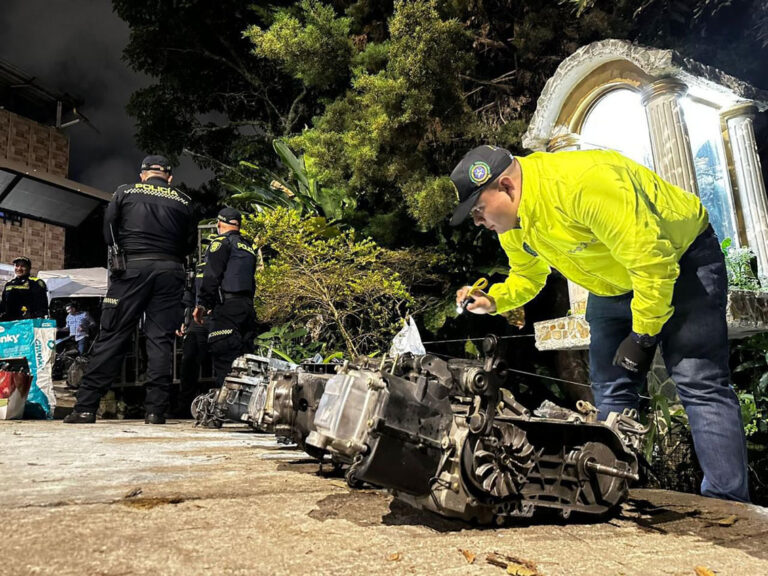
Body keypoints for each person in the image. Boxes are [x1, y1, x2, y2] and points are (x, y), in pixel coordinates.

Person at [450, 145, 750, 502]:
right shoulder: (513, 224)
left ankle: (727, 508)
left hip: (680, 260)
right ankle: (613, 494)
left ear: (506, 186)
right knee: (611, 390)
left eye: (480, 210)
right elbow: (528, 275)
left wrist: (643, 335)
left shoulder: (585, 183)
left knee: (699, 382)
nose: (479, 222)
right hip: (610, 285)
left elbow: (652, 262)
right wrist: (495, 299)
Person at [64, 155, 196, 425]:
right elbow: (190, 243)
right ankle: (156, 411)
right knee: (160, 340)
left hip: (131, 269)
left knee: (113, 334)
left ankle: (86, 407)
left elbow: (109, 230)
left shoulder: (125, 191)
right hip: (170, 270)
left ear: (143, 174)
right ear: (169, 177)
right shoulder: (184, 200)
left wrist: (123, 258)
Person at [193, 207, 256, 386]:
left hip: (227, 308)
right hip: (246, 308)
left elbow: (212, 275)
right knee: (245, 362)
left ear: (219, 224)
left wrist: (203, 304)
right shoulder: (248, 246)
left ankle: (226, 408)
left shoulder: (221, 242)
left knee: (225, 359)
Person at [175, 255, 212, 415]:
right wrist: (183, 319)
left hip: (216, 317)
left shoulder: (227, 263)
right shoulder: (198, 268)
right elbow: (188, 295)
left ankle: (219, 404)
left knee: (218, 361)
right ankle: (185, 404)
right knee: (188, 361)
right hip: (196, 321)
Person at [0, 256, 48, 321]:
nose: (19, 268)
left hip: (28, 322)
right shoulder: (9, 283)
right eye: (17, 266)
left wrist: (40, 318)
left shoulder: (36, 282)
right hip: (10, 322)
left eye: (23, 266)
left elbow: (41, 305)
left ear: (29, 268)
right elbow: (4, 303)